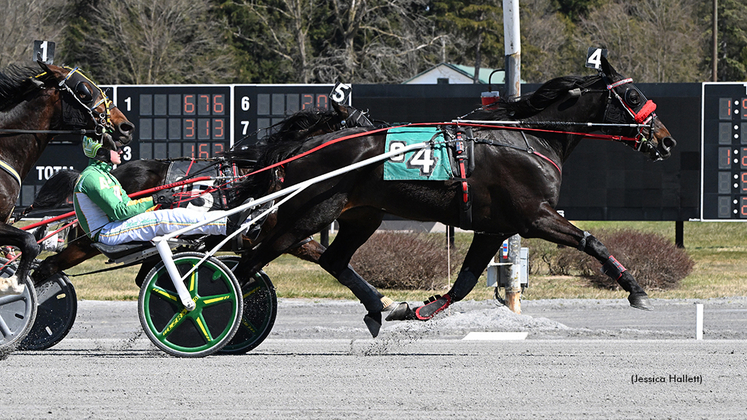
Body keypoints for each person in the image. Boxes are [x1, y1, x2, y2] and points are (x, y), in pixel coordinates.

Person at [73, 135, 248, 246]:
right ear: (101, 152)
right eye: (115, 148)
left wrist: (155, 203)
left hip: (115, 226)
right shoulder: (91, 178)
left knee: (170, 214)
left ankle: (226, 222)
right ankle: (227, 224)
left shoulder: (106, 176)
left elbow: (127, 204)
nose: (120, 150)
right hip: (107, 232)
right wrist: (155, 200)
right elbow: (120, 212)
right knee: (163, 219)